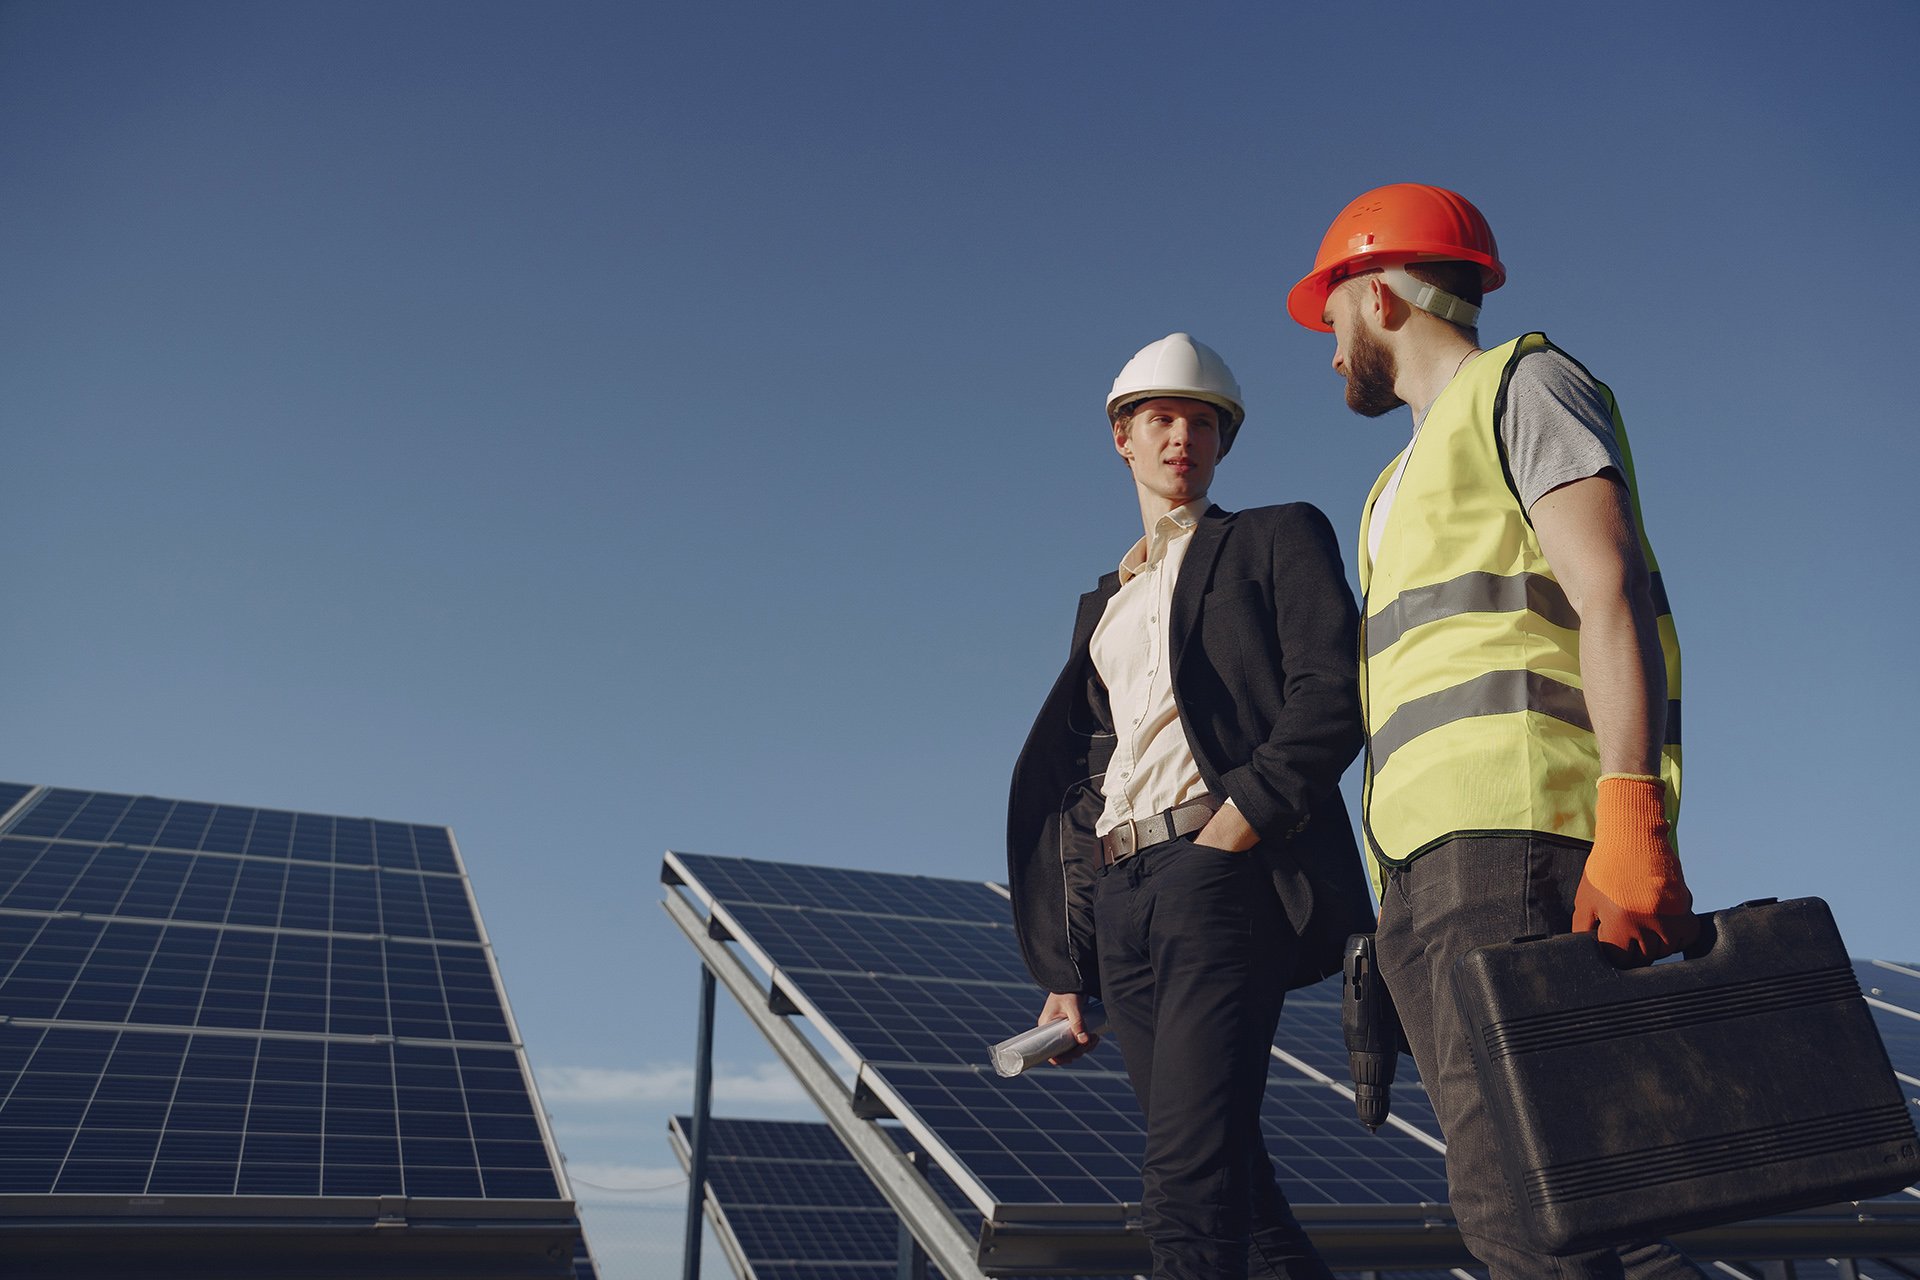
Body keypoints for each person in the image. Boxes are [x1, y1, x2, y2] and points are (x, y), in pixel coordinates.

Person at [1286, 182, 1705, 1279]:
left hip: (1517, 834)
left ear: (1378, 295)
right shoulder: (1389, 487)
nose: (1328, 350)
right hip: (1424, 873)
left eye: (1330, 316)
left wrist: (1630, 809)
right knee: (1544, 1195)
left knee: (1530, 1205)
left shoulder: (1524, 383)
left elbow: (1606, 592)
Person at [1006, 333, 1373, 1280]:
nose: (1183, 438)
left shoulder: (1273, 537)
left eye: (1203, 423)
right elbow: (1095, 782)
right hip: (1123, 898)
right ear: (1121, 439)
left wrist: (1231, 831)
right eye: (1161, 420)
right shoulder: (1105, 605)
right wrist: (1070, 962)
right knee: (1233, 1179)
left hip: (1218, 872)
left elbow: (1332, 694)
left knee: (1184, 1177)